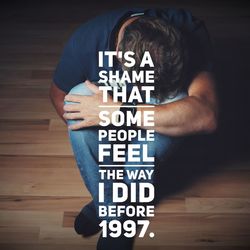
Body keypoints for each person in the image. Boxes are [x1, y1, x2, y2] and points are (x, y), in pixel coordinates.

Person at [50, 7, 218, 250]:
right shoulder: (87, 42)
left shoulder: (190, 31)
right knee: (77, 97)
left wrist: (122, 114)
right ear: (119, 54)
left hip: (144, 115)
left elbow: (207, 115)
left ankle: (128, 205)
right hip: (111, 112)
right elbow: (58, 96)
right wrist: (105, 143)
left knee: (179, 104)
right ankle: (110, 209)